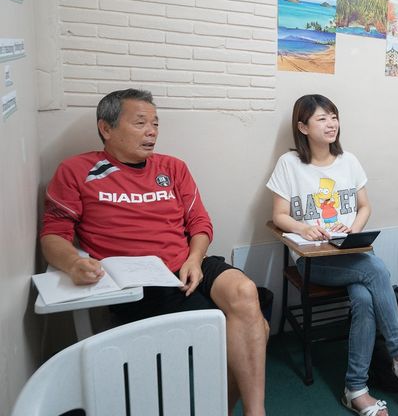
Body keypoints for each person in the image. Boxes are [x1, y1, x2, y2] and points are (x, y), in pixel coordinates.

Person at [40, 89, 268, 416]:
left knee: (245, 291)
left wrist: (195, 258)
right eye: (140, 123)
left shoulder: (173, 168)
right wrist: (74, 263)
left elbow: (200, 222)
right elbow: (53, 235)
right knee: (255, 329)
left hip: (188, 264)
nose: (152, 132)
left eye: (155, 124)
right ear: (106, 128)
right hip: (138, 283)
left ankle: (254, 413)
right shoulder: (77, 170)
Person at [267, 94, 398, 416]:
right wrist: (304, 228)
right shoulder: (289, 164)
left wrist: (352, 230)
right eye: (322, 118)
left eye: (334, 116)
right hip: (312, 261)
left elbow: (364, 207)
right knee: (376, 270)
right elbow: (278, 215)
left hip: (349, 253)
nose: (331, 124)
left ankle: (355, 389)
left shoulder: (348, 161)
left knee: (363, 297)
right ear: (303, 127)